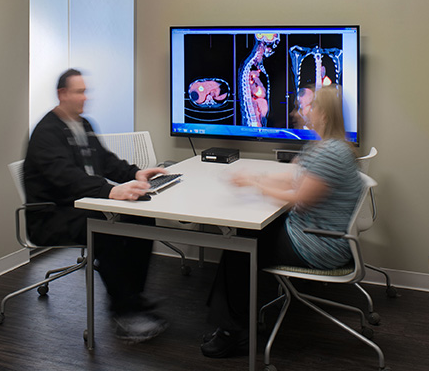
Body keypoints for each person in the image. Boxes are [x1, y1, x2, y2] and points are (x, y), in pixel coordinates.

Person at [200, 85, 363, 358]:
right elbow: (294, 176)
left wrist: (255, 185)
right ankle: (231, 323)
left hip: (319, 244)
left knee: (239, 246)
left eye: (308, 106)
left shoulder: (329, 153)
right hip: (313, 231)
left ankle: (233, 333)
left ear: (322, 113)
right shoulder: (328, 146)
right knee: (241, 236)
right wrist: (255, 175)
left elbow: (298, 196)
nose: (301, 111)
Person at [23, 68, 169, 343]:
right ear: (62, 94)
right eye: (79, 92)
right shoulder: (46, 133)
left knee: (142, 220)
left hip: (83, 205)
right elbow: (67, 178)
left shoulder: (83, 125)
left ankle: (132, 298)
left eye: (86, 91)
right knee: (106, 230)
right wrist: (111, 191)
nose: (85, 98)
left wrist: (134, 173)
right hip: (52, 216)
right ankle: (124, 313)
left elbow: (105, 160)